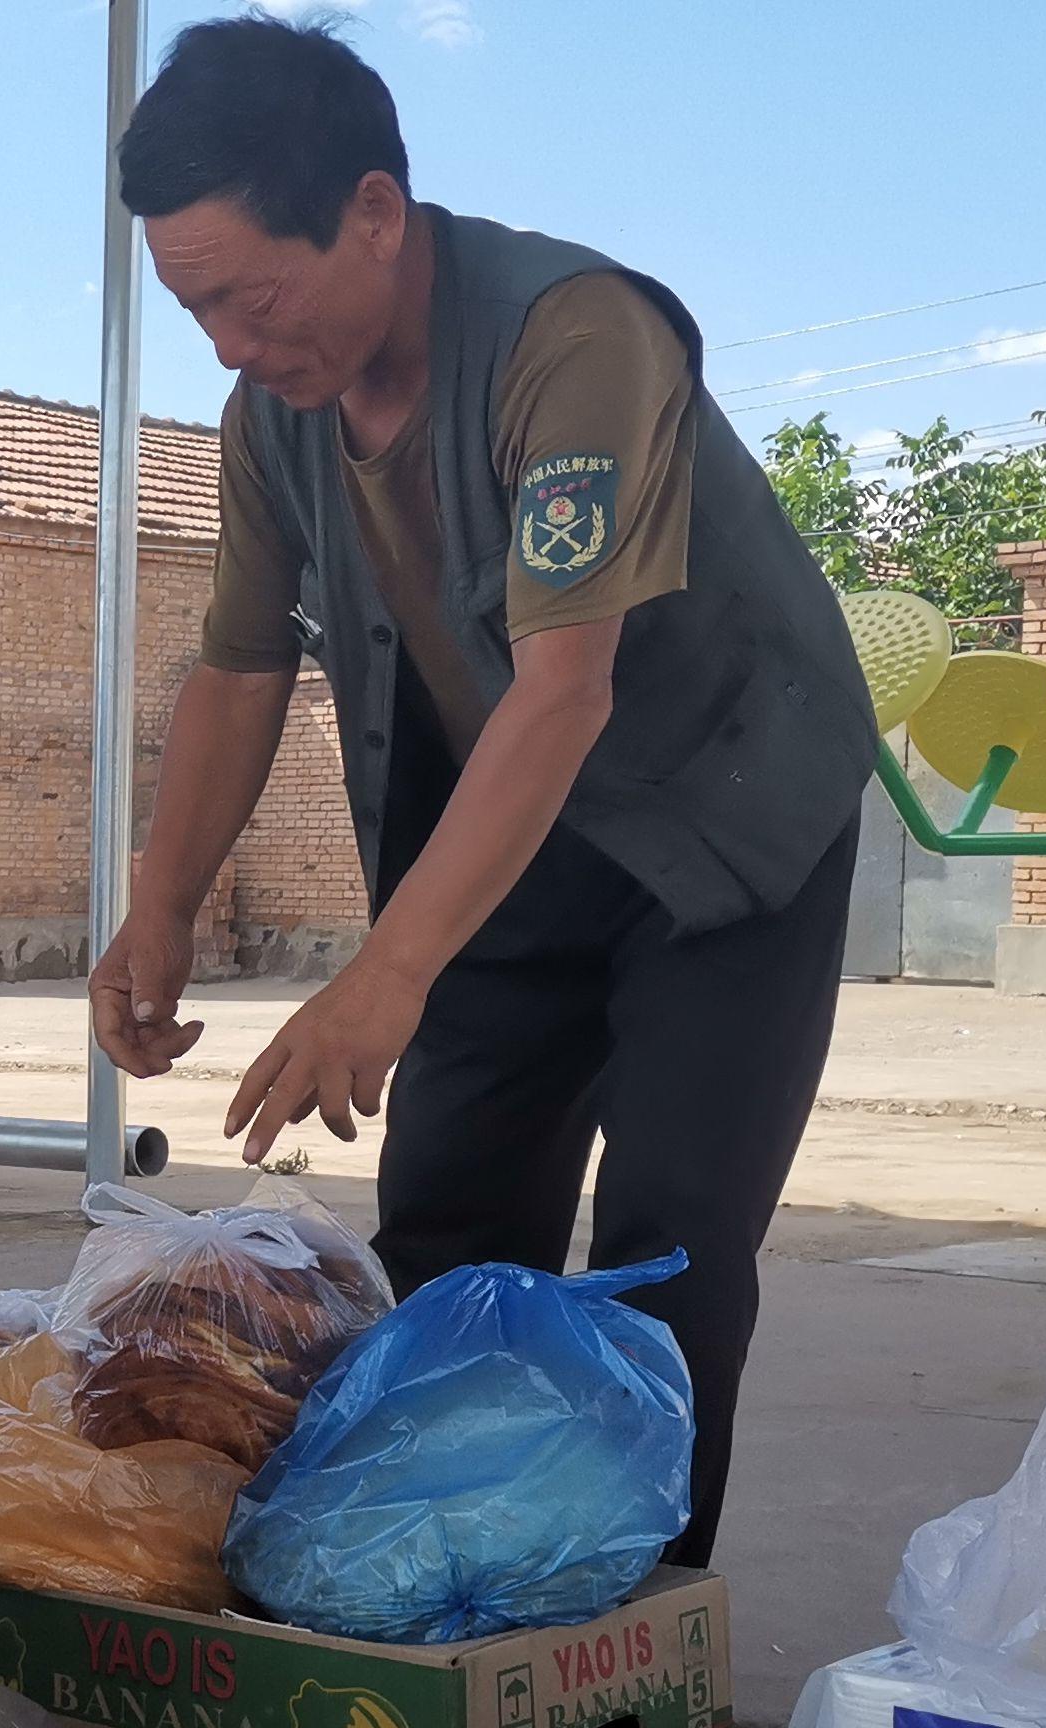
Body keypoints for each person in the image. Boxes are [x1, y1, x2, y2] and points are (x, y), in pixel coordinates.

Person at [91, 16, 873, 1565]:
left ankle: (624, 1637)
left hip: (720, 825)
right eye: (196, 310)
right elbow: (238, 668)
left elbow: (564, 683)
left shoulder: (573, 339)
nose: (233, 345)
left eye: (252, 294)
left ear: (372, 212)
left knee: (666, 1242)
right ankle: (437, 1592)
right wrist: (160, 904)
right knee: (446, 1219)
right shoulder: (273, 423)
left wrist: (385, 974)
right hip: (514, 828)